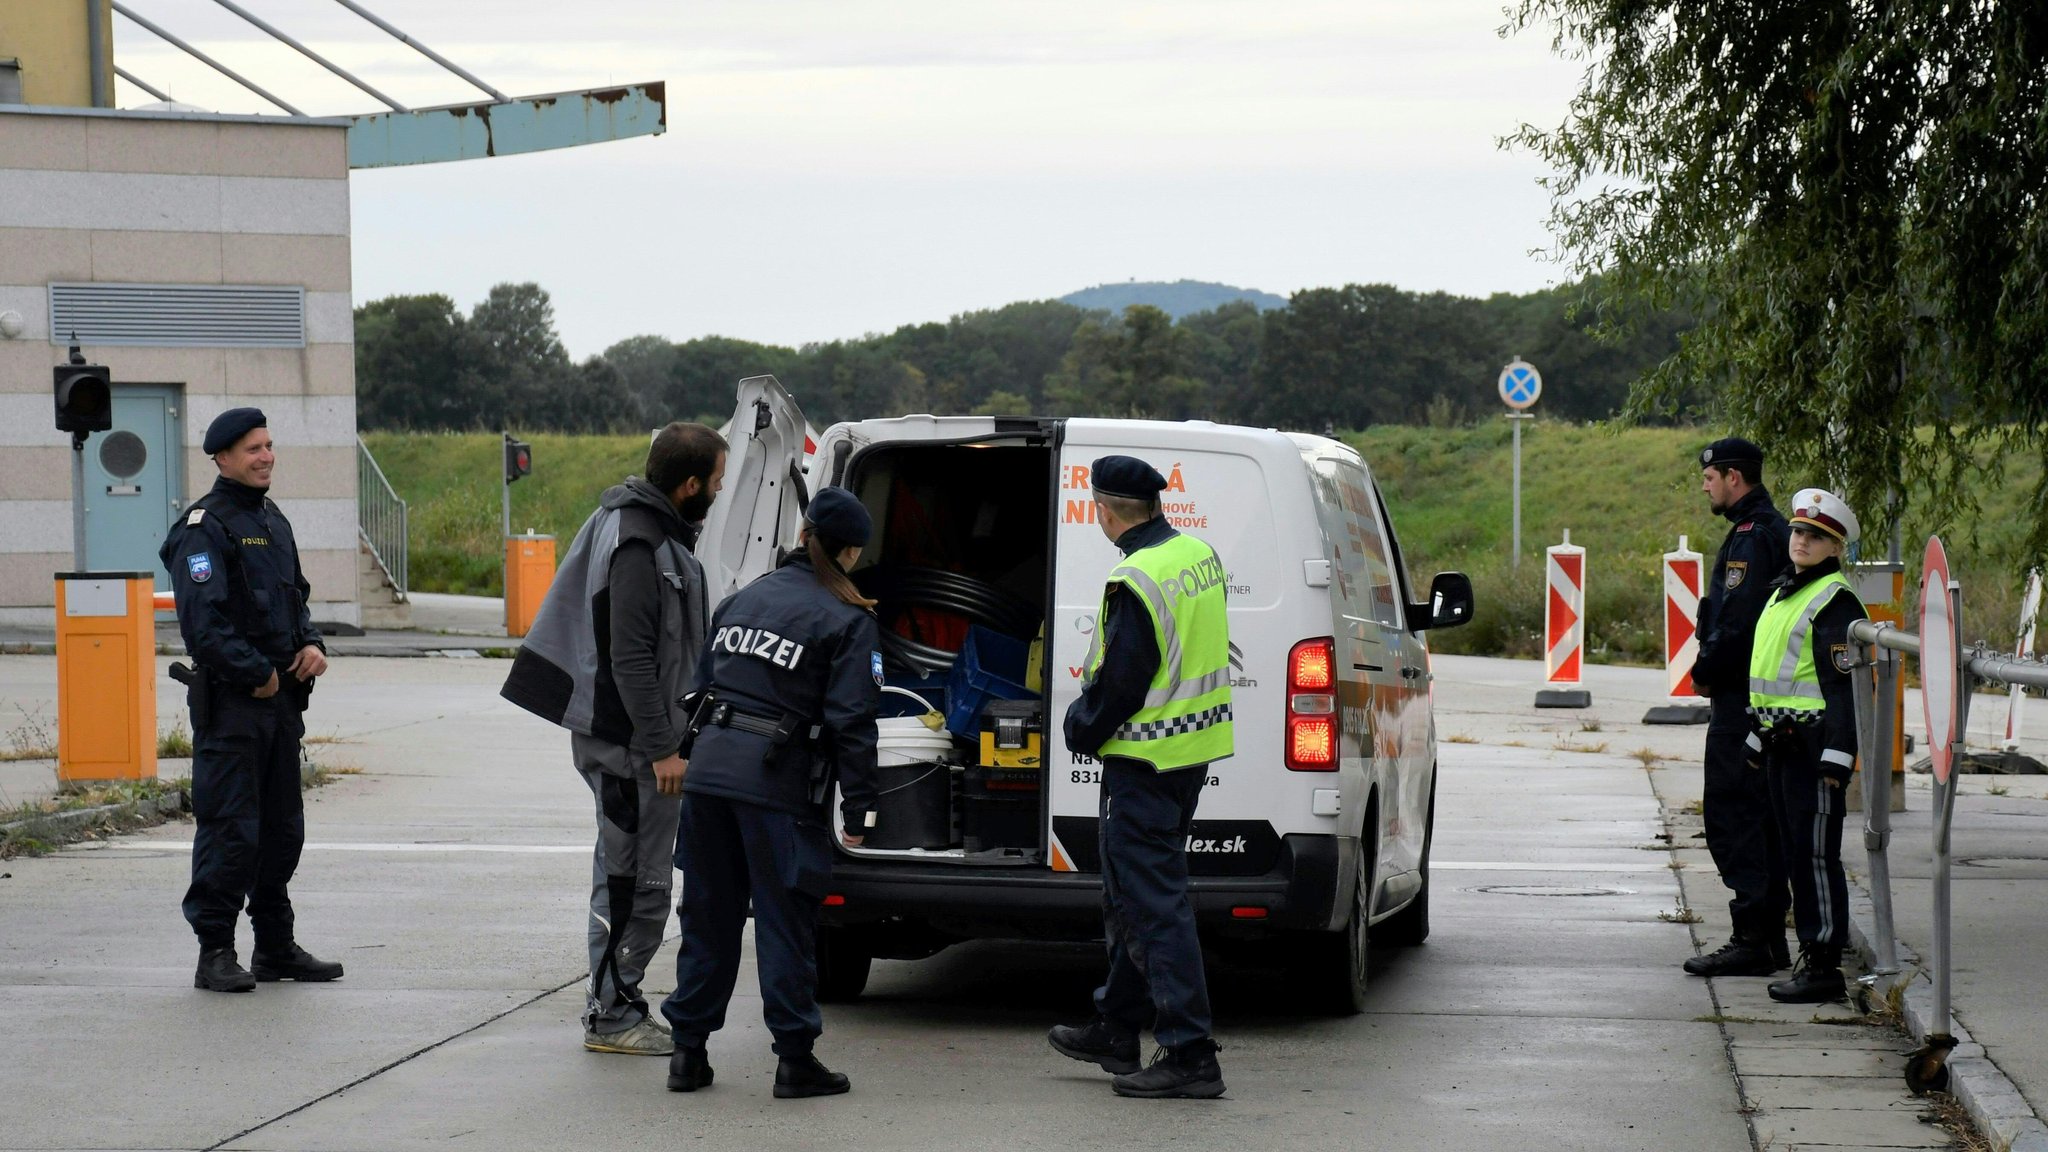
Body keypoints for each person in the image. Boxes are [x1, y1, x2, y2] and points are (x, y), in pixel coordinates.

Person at [500, 422, 725, 1055]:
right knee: (634, 881)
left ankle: (618, 1001)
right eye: (717, 479)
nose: (719, 489)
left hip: (634, 742)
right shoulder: (639, 544)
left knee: (630, 874)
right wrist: (662, 749)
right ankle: (611, 1016)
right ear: (689, 486)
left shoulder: (645, 528)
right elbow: (630, 660)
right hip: (633, 749)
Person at [659, 487, 885, 1099]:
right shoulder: (846, 619)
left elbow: (702, 688)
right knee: (785, 922)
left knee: (708, 915)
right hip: (776, 786)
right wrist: (861, 806)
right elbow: (852, 724)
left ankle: (687, 1053)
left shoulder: (743, 599)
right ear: (850, 551)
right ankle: (794, 1060)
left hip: (708, 779)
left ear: (803, 533)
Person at [1048, 455, 1233, 1100]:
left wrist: (1079, 725)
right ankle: (1117, 1026)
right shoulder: (1196, 553)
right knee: (1136, 895)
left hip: (1144, 761)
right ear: (1154, 503)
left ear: (1104, 510)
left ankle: (1190, 1053)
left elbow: (1123, 679)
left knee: (1153, 906)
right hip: (1189, 754)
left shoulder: (1135, 576)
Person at [160, 407, 338, 993]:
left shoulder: (274, 520)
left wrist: (310, 644)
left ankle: (275, 947)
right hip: (235, 706)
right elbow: (202, 623)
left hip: (282, 705)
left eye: (268, 446)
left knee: (282, 829)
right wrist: (256, 673)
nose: (266, 457)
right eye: (252, 449)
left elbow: (297, 600)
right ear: (223, 458)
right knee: (231, 828)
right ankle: (215, 951)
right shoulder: (202, 528)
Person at [1748, 488, 1868, 1004]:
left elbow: (1845, 690)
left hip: (1814, 751)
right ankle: (1810, 956)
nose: (1800, 540)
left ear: (1834, 546)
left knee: (1815, 856)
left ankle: (1823, 966)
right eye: (1798, 531)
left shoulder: (1836, 602)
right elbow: (1770, 676)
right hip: (1781, 744)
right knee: (1794, 854)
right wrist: (1756, 736)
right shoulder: (1784, 593)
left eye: (1815, 536)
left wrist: (1838, 760)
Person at [1683, 437, 1795, 978]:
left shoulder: (1753, 537)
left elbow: (1738, 620)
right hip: (1757, 699)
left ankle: (1754, 938)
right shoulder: (1764, 531)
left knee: (1735, 815)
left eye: (1710, 477)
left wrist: (1704, 671)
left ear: (1734, 477)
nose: (1704, 484)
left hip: (1742, 700)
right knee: (1757, 818)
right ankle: (1765, 937)